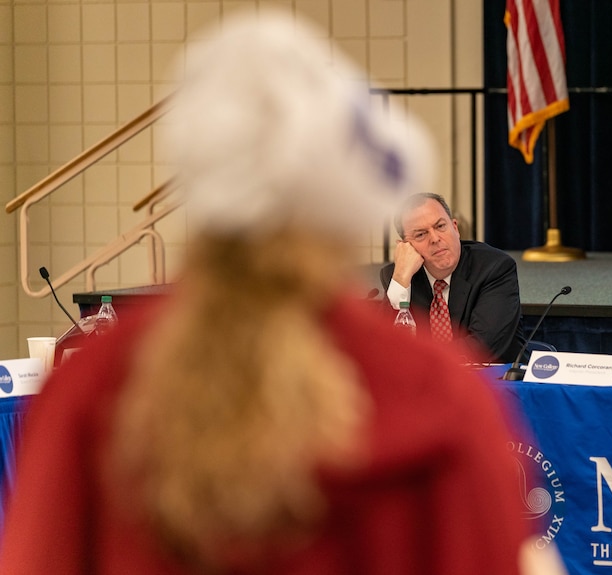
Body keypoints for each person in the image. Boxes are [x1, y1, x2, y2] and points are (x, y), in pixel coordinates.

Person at [0, 11, 565, 575]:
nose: (435, 239)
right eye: (420, 232)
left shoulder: (90, 386)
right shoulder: (436, 391)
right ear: (352, 203)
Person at [380, 193, 526, 363]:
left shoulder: (493, 268)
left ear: (455, 228)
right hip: (424, 383)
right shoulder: (399, 277)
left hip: (494, 383)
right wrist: (400, 278)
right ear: (404, 247)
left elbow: (481, 347)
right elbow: (382, 346)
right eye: (421, 234)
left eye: (440, 226)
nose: (435, 239)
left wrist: (417, 359)